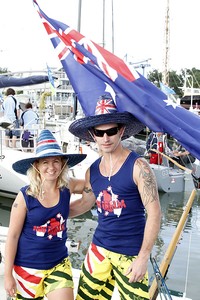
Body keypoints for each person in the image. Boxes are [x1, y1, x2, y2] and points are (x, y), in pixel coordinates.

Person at [68, 94, 161, 300]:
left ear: (121, 131)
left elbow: (154, 214)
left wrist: (143, 257)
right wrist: (55, 213)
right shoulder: (92, 171)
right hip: (98, 250)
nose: (106, 138)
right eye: (99, 133)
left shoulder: (139, 167)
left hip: (131, 254)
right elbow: (86, 202)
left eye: (111, 131)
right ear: (93, 135)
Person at [4, 129, 87, 300]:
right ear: (36, 166)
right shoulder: (25, 196)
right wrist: (8, 275)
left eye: (56, 161)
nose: (51, 167)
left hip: (58, 263)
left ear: (63, 164)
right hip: (27, 267)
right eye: (45, 162)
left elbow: (92, 186)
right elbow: (12, 236)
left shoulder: (68, 187)